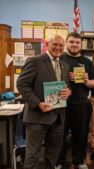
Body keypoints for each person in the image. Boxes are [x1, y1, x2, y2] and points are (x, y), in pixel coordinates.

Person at [17, 35, 71, 169]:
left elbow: (66, 87)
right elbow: (22, 84)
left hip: (58, 118)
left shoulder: (65, 66)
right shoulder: (35, 61)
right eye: (55, 44)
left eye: (61, 45)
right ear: (47, 44)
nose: (58, 48)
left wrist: (69, 92)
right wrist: (38, 103)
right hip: (37, 117)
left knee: (52, 156)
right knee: (32, 156)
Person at [56, 32, 94, 169]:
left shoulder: (87, 62)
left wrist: (86, 81)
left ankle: (79, 161)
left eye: (77, 42)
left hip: (80, 104)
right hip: (60, 104)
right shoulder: (59, 58)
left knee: (80, 135)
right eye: (71, 42)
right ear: (66, 43)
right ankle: (58, 161)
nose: (74, 44)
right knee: (59, 134)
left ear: (81, 45)